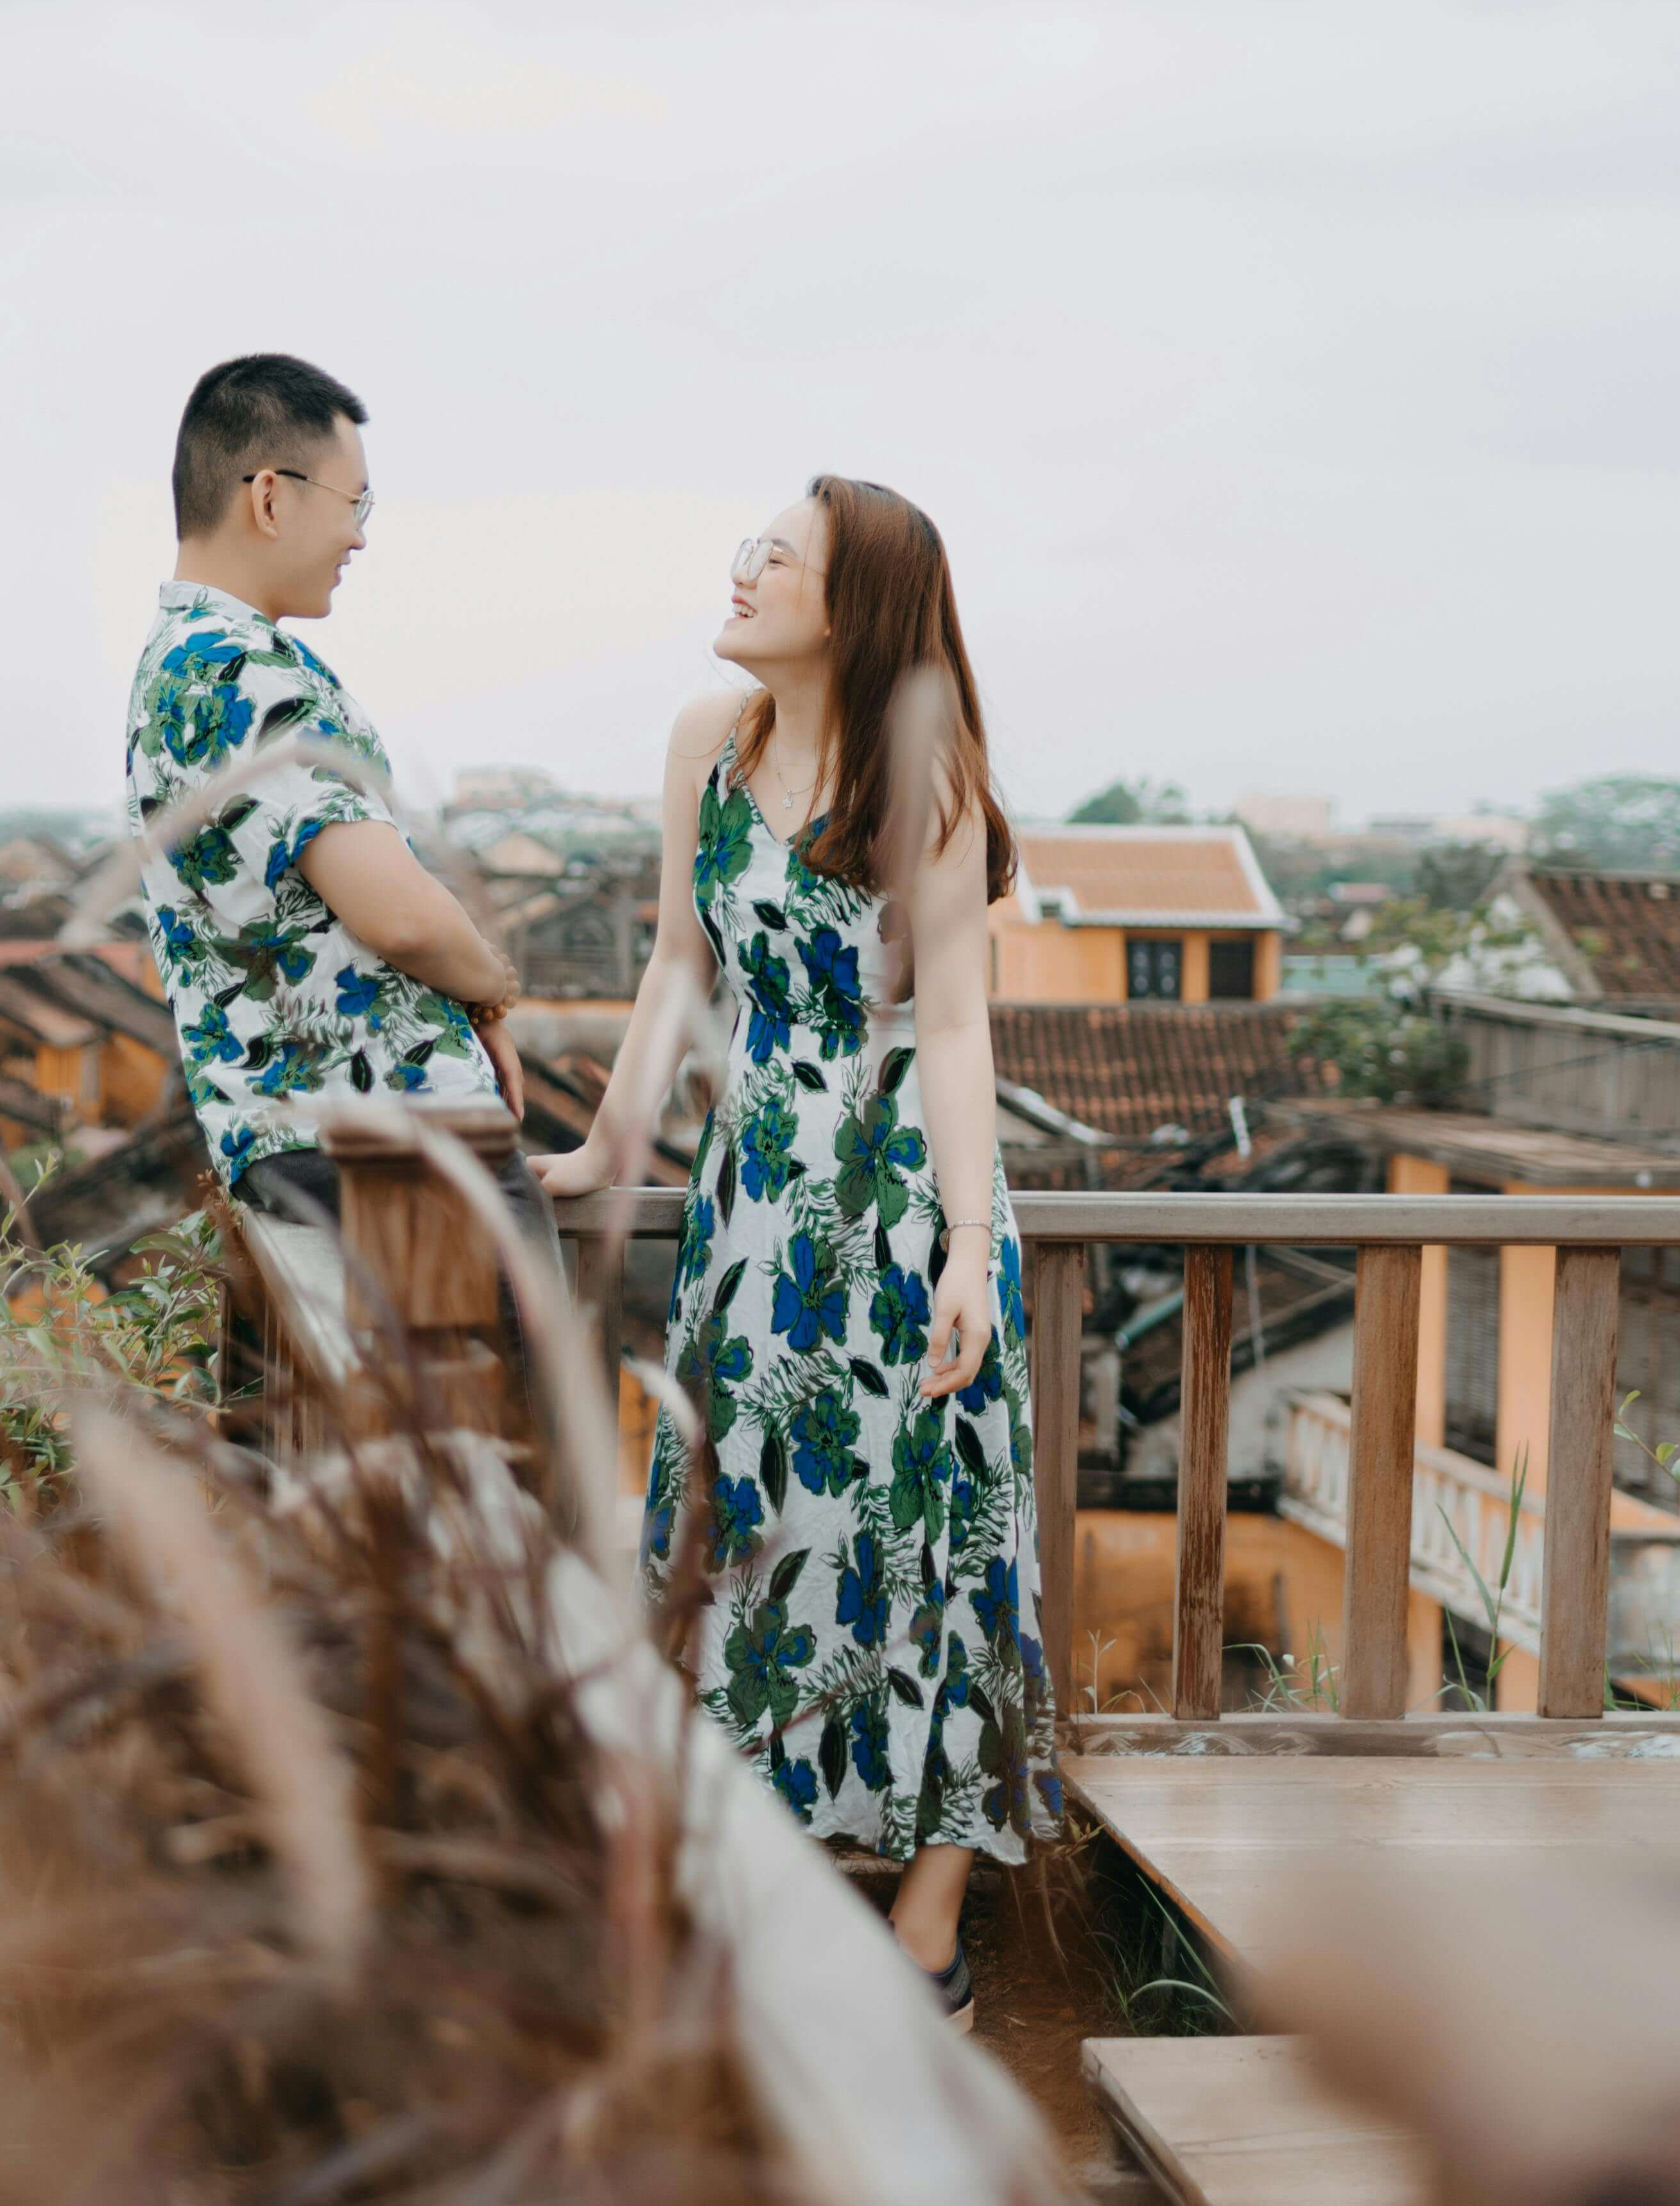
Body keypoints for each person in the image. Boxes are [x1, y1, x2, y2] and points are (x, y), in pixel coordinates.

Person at [532, 475, 1054, 2031]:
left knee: (939, 1539)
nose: (743, 566)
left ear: (854, 606)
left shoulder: (929, 777)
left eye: (780, 554)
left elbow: (955, 1024)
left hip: (900, 1194)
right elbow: (676, 966)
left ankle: (924, 1923)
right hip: (753, 1202)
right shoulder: (709, 742)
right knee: (743, 1525)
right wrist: (607, 1148)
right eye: (748, 545)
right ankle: (749, 1885)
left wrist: (967, 1250)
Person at [123, 352, 537, 1358]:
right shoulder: (245, 675)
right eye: (357, 502)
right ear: (270, 496)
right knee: (495, 1475)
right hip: (386, 1153)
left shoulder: (184, 665)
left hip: (312, 1149)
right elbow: (399, 913)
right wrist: (492, 992)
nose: (358, 535)